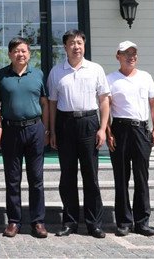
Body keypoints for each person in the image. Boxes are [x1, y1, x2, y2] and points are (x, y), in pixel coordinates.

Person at [46, 29, 110, 239]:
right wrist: (52, 131)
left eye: (79, 42)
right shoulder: (56, 71)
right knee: (67, 176)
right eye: (72, 43)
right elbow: (52, 104)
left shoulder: (95, 69)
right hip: (65, 123)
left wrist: (102, 128)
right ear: (65, 47)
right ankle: (70, 222)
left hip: (89, 123)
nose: (76, 46)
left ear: (84, 45)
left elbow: (104, 100)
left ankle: (94, 224)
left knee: (91, 175)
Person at [0, 37, 49, 239]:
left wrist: (46, 129)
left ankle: (38, 222)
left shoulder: (38, 74)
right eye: (16, 51)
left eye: (24, 51)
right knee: (12, 179)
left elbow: (45, 103)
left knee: (36, 179)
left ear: (29, 54)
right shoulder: (0, 76)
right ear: (10, 54)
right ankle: (14, 221)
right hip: (11, 130)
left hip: (35, 129)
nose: (20, 54)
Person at [106, 41, 154, 237]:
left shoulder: (145, 77)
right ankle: (124, 222)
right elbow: (106, 108)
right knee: (121, 178)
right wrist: (108, 132)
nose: (131, 57)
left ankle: (142, 221)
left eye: (134, 53)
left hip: (141, 130)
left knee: (141, 178)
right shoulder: (110, 79)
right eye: (127, 53)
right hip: (120, 130)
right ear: (118, 56)